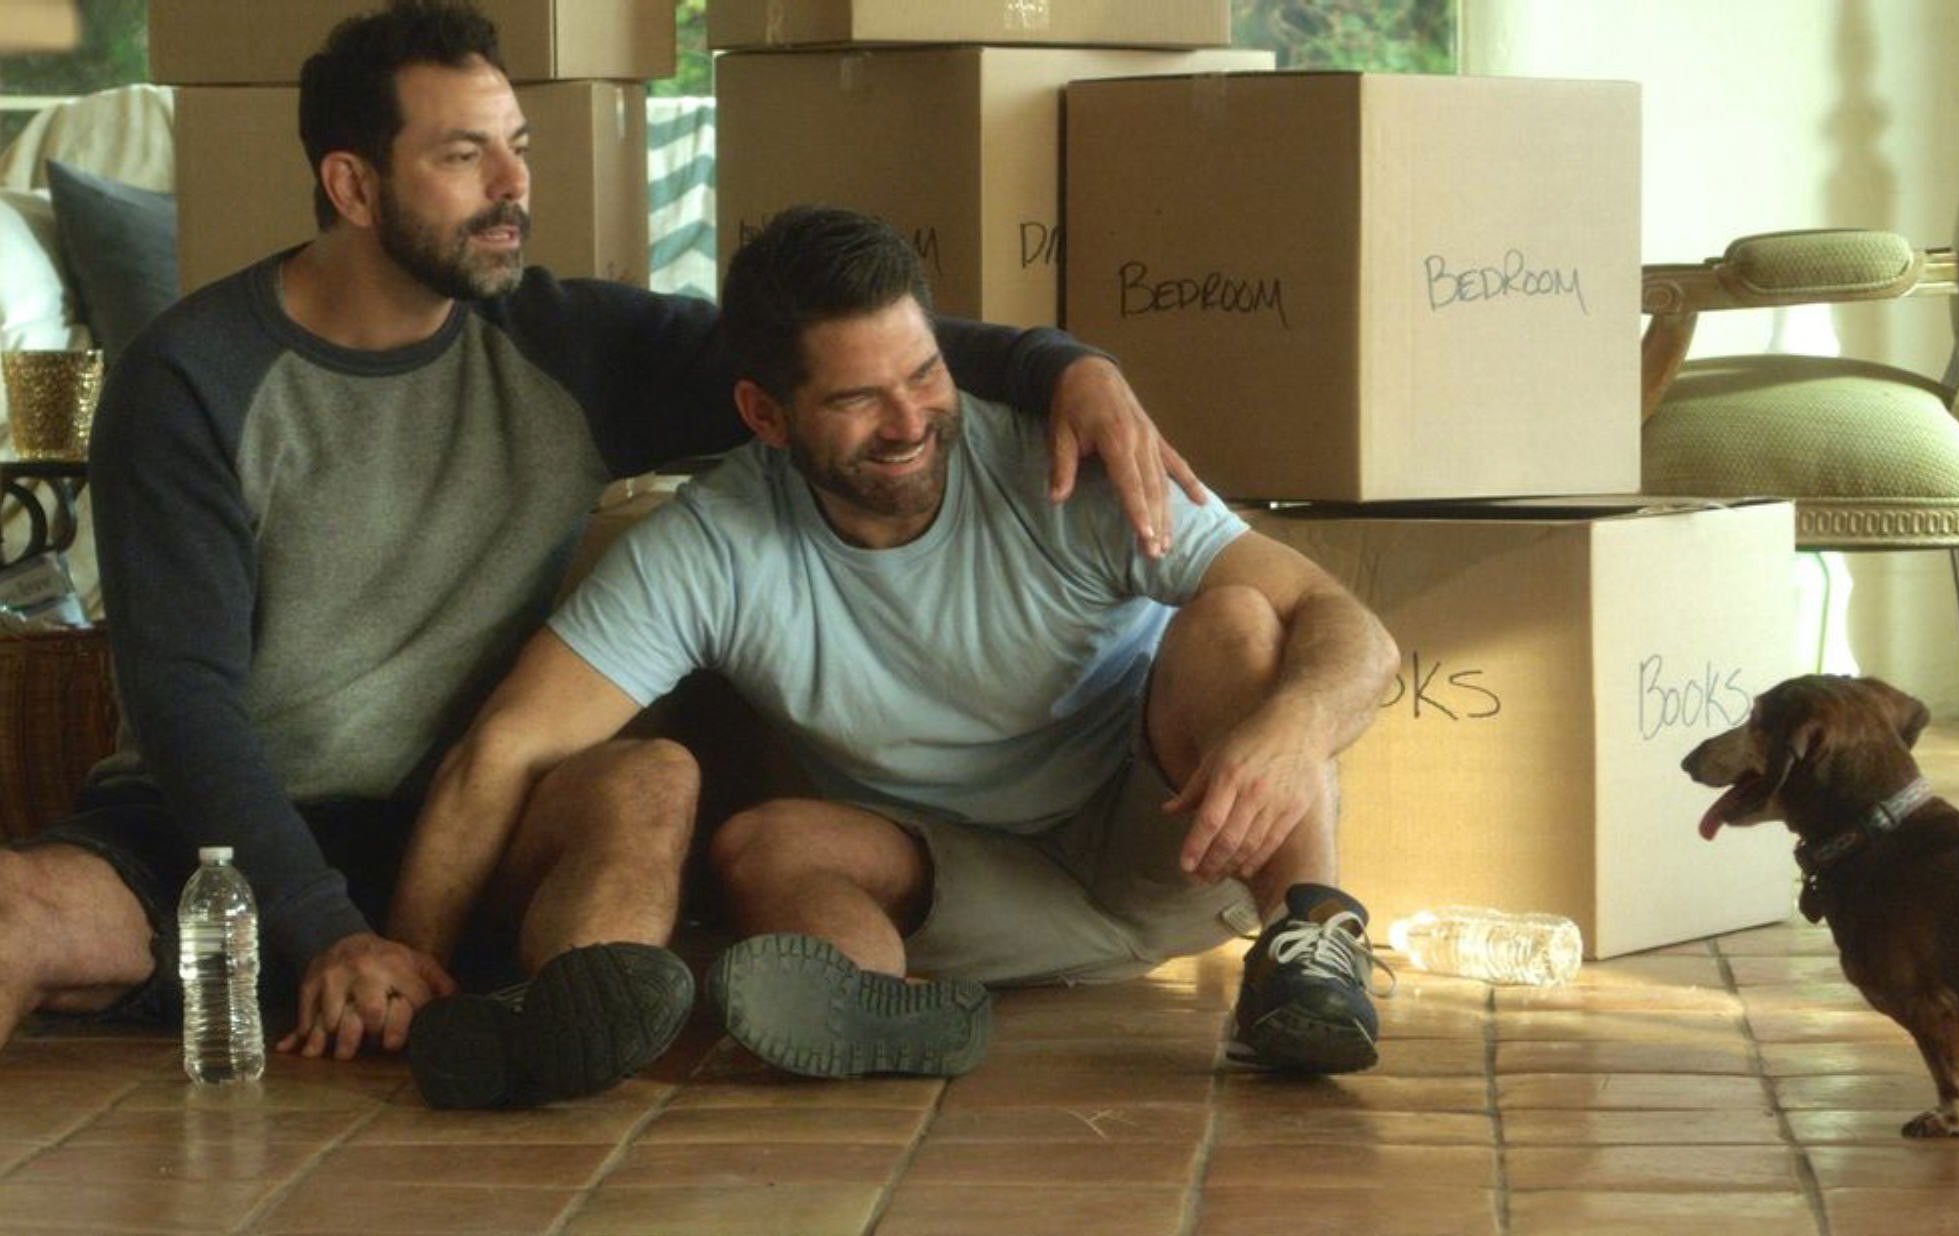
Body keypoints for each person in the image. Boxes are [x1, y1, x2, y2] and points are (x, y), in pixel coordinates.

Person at [0, 0, 1199, 1109]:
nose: (514, 185)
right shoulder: (191, 379)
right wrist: (323, 928)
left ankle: (555, 1030)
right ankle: (438, 1004)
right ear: (353, 184)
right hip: (221, 844)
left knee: (649, 777)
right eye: (464, 155)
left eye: (517, 145)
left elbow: (836, 359)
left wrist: (1066, 368)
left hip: (473, 831)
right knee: (14, 914)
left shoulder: (568, 347)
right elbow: (185, 702)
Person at [399, 205, 1402, 1090]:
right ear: (765, 415)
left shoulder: (1062, 464)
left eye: (924, 375)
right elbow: (508, 745)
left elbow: (1342, 621)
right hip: (970, 887)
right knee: (762, 845)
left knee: (1238, 622)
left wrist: (1292, 729)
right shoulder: (712, 544)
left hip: (1185, 840)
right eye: (855, 400)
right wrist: (410, 963)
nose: (908, 422)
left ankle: (1310, 949)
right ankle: (876, 1013)